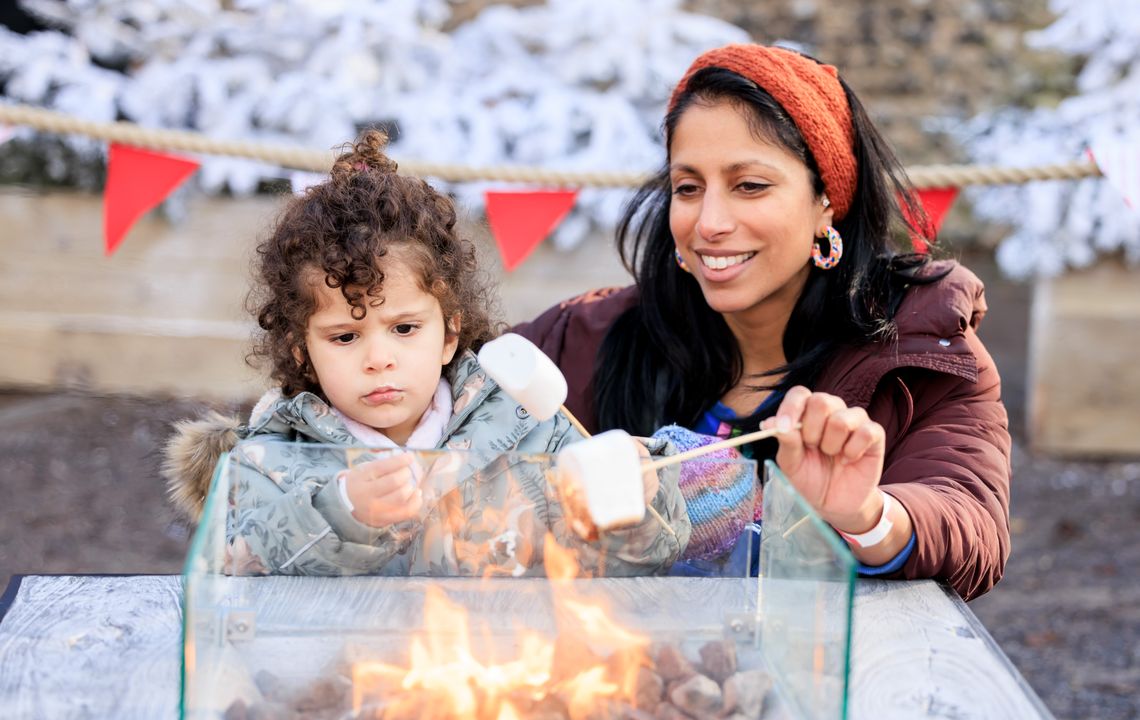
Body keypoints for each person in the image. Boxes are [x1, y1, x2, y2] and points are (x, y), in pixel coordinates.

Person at [515, 44, 1011, 600]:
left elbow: (973, 526)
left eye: (750, 185)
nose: (710, 223)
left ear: (826, 198)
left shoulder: (923, 346)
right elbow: (437, 409)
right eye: (688, 187)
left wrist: (864, 514)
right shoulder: (584, 336)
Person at [162, 130, 689, 577]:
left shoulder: (528, 430)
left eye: (406, 328)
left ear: (450, 335)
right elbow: (233, 575)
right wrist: (340, 514)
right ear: (302, 352)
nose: (379, 359)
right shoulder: (270, 462)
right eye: (345, 337)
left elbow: (633, 568)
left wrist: (639, 504)